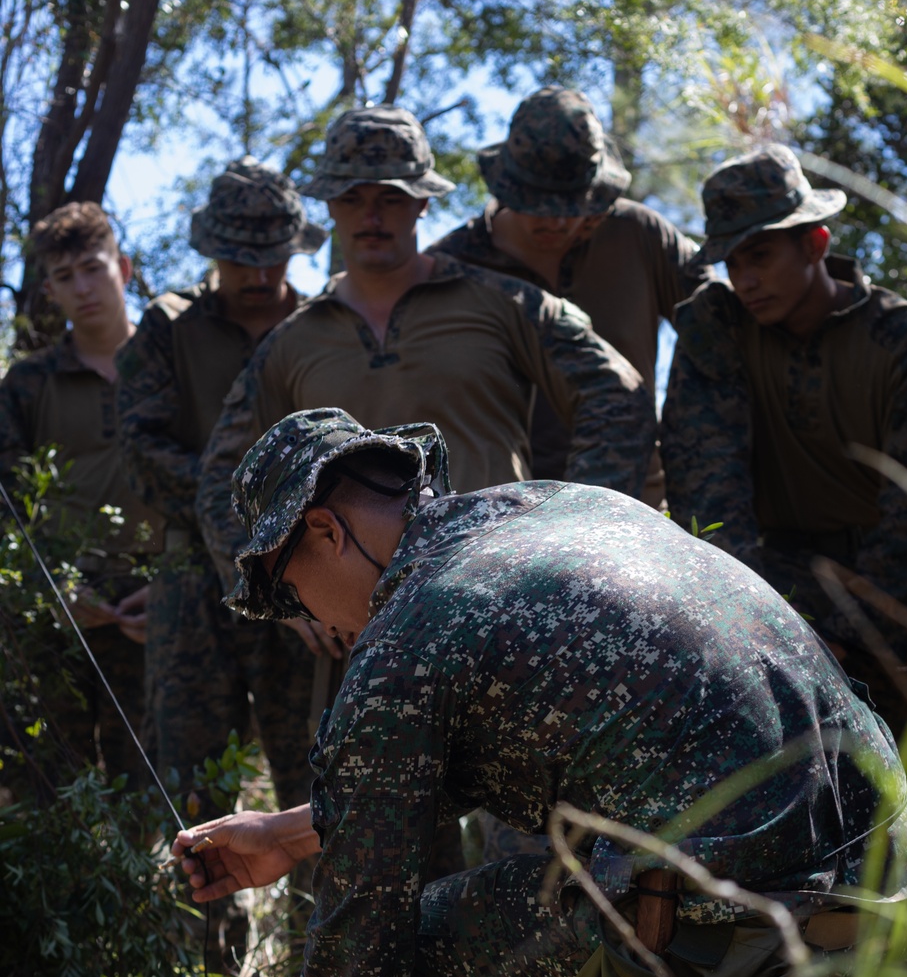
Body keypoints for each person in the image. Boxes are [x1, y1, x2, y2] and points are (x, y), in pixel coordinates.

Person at [173, 408, 907, 977]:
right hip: (898, 900)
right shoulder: (564, 511)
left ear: (324, 532)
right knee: (596, 873)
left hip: (762, 947)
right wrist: (285, 833)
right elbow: (465, 760)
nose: (317, 626)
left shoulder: (408, 633)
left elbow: (361, 924)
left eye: (295, 596)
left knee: (395, 965)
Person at [660, 144, 907, 828]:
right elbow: (707, 499)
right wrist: (776, 634)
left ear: (816, 242)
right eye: (732, 262)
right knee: (790, 821)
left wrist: (854, 644)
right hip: (775, 592)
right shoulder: (716, 333)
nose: (744, 279)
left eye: (761, 256)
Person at [195, 106, 655, 583]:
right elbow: (221, 481)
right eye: (353, 197)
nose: (371, 216)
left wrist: (574, 531)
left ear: (423, 201)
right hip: (360, 629)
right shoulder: (290, 343)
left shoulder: (503, 303)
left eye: (392, 197)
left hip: (499, 596)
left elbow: (618, 394)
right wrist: (280, 593)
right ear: (329, 204)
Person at [116, 158, 329, 817]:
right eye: (243, 261)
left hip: (314, 570)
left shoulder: (325, 326)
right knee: (191, 777)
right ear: (212, 251)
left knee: (320, 769)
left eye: (274, 259)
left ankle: (317, 920)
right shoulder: (168, 327)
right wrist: (248, 502)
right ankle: (202, 920)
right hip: (192, 579)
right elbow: (141, 447)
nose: (262, 277)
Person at [433, 85, 710, 504]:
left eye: (572, 203)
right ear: (508, 186)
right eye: (540, 205)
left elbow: (725, 331)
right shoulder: (450, 266)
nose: (559, 221)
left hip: (637, 509)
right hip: (495, 522)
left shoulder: (639, 234)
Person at [0, 202, 163, 789]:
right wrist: (58, 586)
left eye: (93, 268)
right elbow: (8, 505)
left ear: (121, 267)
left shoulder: (167, 365)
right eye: (65, 277)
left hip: (157, 598)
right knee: (50, 784)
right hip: (58, 606)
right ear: (50, 290)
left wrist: (172, 584)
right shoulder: (26, 383)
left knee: (150, 785)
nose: (83, 287)